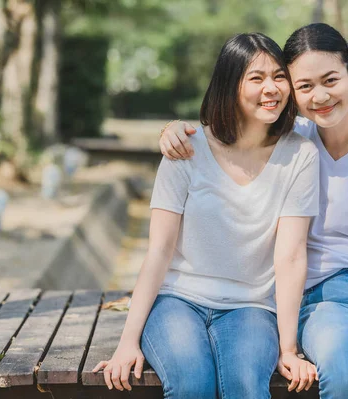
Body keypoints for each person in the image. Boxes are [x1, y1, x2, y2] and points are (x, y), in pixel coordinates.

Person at [159, 23, 348, 399]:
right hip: (327, 291)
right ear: (291, 91)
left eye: (331, 80)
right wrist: (173, 129)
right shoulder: (291, 139)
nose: (321, 96)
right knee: (347, 378)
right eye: (305, 86)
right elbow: (228, 128)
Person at [93, 32, 321, 398]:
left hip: (251, 307)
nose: (272, 88)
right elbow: (159, 251)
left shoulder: (300, 155)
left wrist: (289, 348)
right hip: (178, 301)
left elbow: (291, 256)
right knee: (192, 383)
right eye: (256, 78)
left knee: (246, 386)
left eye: (279, 77)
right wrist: (127, 342)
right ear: (230, 85)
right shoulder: (186, 149)